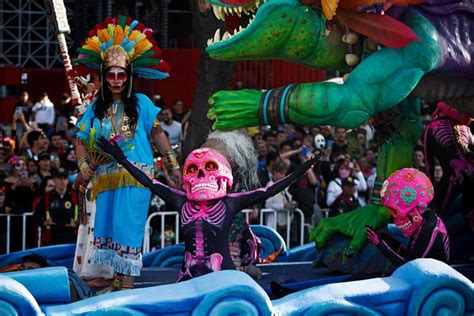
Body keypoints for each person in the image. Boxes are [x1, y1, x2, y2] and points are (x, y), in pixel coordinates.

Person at [97, 138, 320, 282]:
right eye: (196, 170)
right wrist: (120, 158)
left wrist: (303, 169)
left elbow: (268, 191)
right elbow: (148, 181)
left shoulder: (230, 202)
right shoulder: (181, 200)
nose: (202, 175)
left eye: (209, 168)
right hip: (188, 277)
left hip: (224, 276)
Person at [74, 15, 179, 291]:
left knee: (127, 228)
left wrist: (172, 162)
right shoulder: (95, 108)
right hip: (106, 177)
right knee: (108, 229)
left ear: (129, 75)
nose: (116, 80)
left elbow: (158, 133)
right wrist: (84, 164)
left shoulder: (142, 103)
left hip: (136, 176)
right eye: (111, 75)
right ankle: (115, 279)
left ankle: (127, 284)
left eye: (122, 75)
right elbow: (80, 138)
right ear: (104, 75)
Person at [366, 168, 450, 267]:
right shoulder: (425, 219)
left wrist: (380, 243)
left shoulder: (427, 230)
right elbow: (406, 253)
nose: (397, 220)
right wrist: (384, 237)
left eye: (397, 212)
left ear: (413, 209)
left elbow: (408, 265)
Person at [33, 168, 78, 245]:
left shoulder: (75, 196)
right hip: (51, 237)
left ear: (68, 180)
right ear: (54, 180)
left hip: (70, 236)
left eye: (65, 178)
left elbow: (84, 216)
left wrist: (77, 223)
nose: (62, 181)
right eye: (59, 178)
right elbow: (35, 217)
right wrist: (44, 223)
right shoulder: (47, 196)